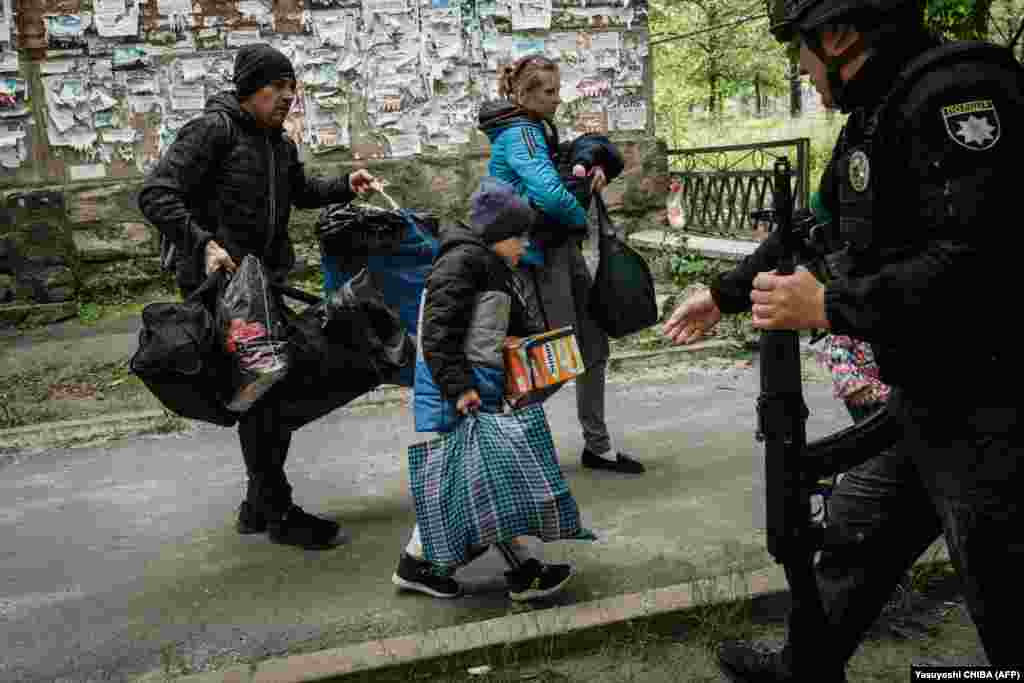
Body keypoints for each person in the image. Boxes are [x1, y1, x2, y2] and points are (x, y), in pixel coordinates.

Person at [663, 0, 1024, 677]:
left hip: (995, 415)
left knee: (1005, 591)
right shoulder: (879, 115)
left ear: (839, 36)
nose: (800, 67)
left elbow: (979, 266)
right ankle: (803, 666)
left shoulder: (958, 98)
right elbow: (815, 229)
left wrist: (832, 303)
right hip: (925, 399)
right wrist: (721, 294)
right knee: (854, 536)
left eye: (799, 49)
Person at [139, 44, 380, 550]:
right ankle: (277, 511)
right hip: (223, 290)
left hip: (261, 286)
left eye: (292, 88)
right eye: (278, 87)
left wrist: (344, 185)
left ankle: (259, 505)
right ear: (250, 88)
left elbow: (300, 192)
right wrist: (203, 243)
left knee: (265, 392)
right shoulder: (213, 131)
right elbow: (156, 193)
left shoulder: (277, 141)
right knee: (265, 394)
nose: (288, 97)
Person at [392, 178, 575, 600]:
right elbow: (438, 334)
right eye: (520, 237)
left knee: (473, 481)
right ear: (496, 235)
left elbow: (506, 324)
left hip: (479, 387)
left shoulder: (492, 266)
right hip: (461, 391)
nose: (525, 246)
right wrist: (460, 388)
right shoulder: (462, 264)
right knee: (489, 482)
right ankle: (524, 572)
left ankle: (417, 564)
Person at [477, 54, 645, 475]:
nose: (557, 99)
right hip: (536, 256)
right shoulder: (521, 133)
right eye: (548, 92)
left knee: (593, 348)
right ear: (523, 93)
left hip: (557, 249)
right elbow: (550, 195)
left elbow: (561, 175)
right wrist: (580, 215)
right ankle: (496, 441)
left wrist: (589, 175)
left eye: (557, 90)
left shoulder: (535, 127)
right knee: (558, 358)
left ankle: (598, 447)